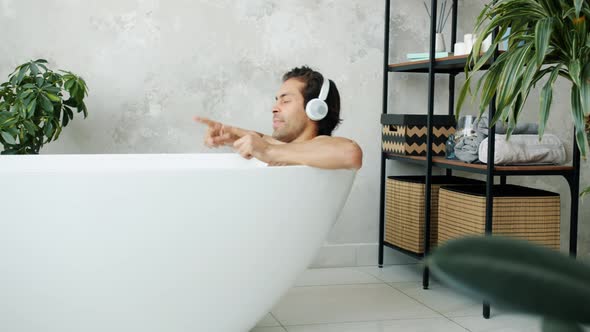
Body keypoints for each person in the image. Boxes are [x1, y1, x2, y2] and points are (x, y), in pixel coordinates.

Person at [194, 66, 362, 170]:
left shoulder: (324, 148)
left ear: (315, 109)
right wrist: (231, 134)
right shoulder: (289, 151)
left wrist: (268, 151)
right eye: (277, 100)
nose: (274, 108)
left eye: (286, 100)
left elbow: (351, 153)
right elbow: (267, 142)